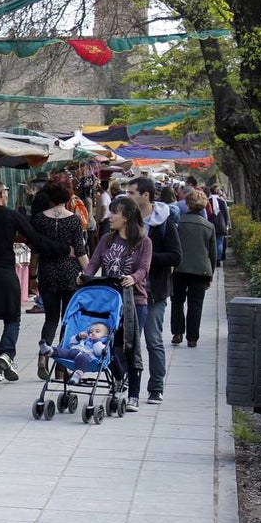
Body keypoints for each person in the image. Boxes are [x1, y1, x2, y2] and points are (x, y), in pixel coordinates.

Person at [0, 179, 66, 383]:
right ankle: (6, 353)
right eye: (6, 191)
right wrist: (62, 249)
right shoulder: (11, 215)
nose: (7, 195)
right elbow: (35, 238)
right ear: (0, 194)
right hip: (6, 273)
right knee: (12, 318)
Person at [81, 196, 152, 412]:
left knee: (129, 347)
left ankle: (133, 396)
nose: (110, 217)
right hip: (109, 302)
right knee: (107, 345)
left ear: (127, 217)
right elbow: (93, 263)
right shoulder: (106, 240)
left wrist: (134, 278)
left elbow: (144, 268)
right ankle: (120, 378)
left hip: (134, 302)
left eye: (115, 213)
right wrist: (83, 277)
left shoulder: (143, 241)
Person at [126, 176, 181, 408]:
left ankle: (156, 387)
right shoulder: (127, 221)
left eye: (132, 193)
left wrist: (146, 259)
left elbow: (176, 255)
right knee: (128, 341)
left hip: (155, 291)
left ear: (145, 196)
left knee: (153, 339)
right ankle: (129, 385)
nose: (128, 197)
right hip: (130, 292)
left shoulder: (164, 222)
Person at [31, 175, 89, 379]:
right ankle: (62, 366)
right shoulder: (73, 219)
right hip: (69, 274)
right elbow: (80, 252)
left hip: (48, 273)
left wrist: (32, 274)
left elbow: (35, 251)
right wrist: (90, 275)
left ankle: (42, 355)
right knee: (68, 320)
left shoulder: (39, 219)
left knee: (51, 319)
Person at [171, 189, 218, 347]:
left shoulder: (178, 224)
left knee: (177, 300)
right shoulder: (209, 226)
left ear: (187, 204)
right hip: (201, 270)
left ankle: (177, 332)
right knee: (195, 304)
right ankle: (192, 338)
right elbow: (212, 254)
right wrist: (210, 274)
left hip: (179, 268)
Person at [38, 321, 110, 384]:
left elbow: (98, 352)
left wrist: (96, 341)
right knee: (63, 351)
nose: (93, 333)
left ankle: (77, 375)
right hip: (74, 352)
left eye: (97, 332)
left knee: (83, 357)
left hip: (88, 358)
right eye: (91, 332)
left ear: (105, 336)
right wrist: (78, 337)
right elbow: (71, 344)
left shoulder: (102, 344)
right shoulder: (85, 339)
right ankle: (50, 351)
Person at [208, 186, 230, 266]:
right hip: (221, 225)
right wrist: (227, 224)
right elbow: (226, 214)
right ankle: (218, 260)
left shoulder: (207, 201)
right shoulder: (222, 201)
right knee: (219, 243)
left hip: (210, 224)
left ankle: (212, 259)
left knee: (211, 243)